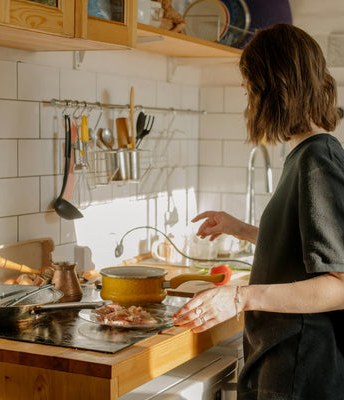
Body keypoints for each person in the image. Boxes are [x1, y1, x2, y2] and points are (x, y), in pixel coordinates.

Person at [173, 23, 344, 400]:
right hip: (283, 359)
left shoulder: (318, 159)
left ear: (273, 89)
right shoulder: (305, 155)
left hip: (302, 372)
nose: (247, 96)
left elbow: (339, 285)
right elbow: (303, 248)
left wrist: (239, 297)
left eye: (250, 87)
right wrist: (242, 229)